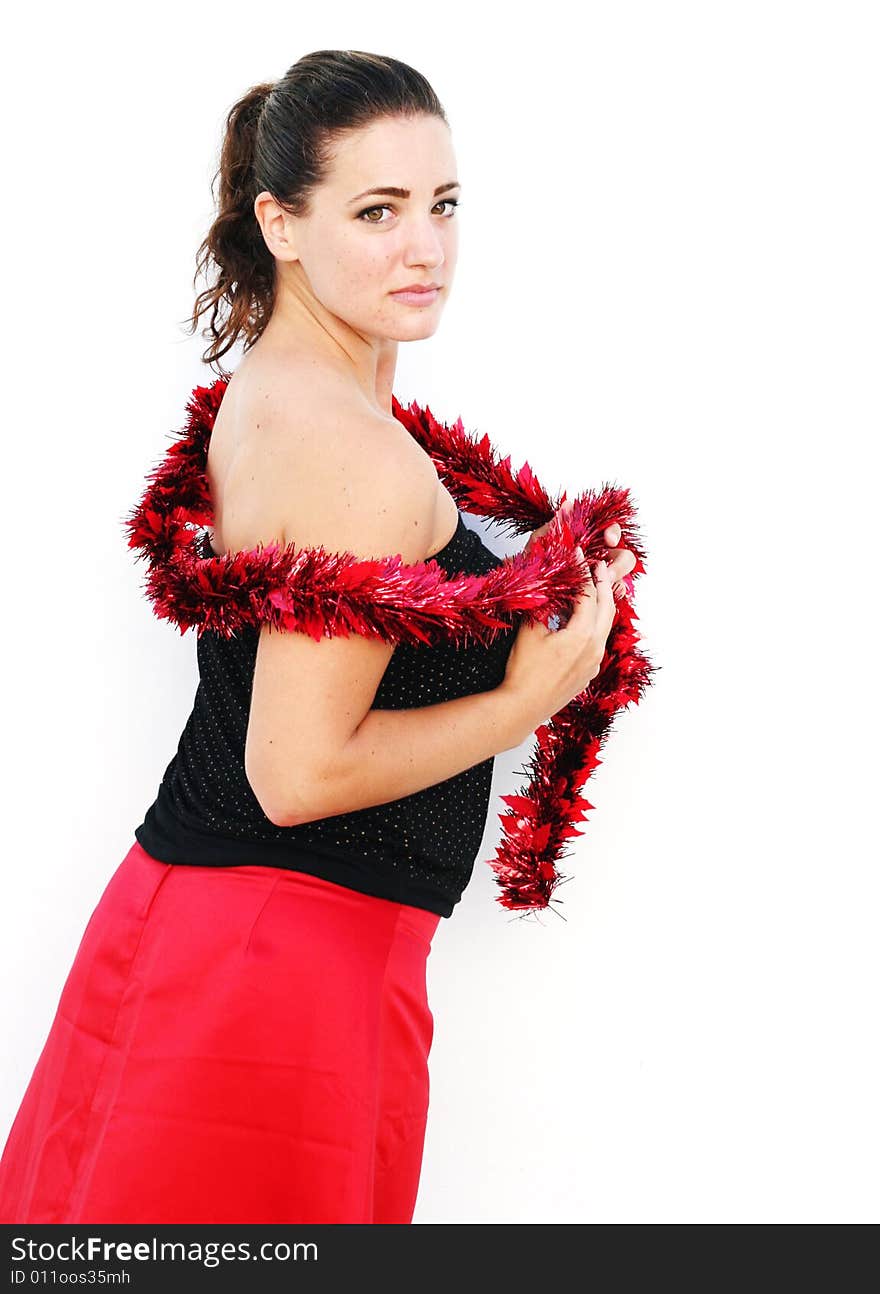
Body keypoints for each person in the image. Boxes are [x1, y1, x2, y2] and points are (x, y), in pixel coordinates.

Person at [0, 49, 636, 1224]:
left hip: (263, 950)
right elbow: (292, 775)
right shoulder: (346, 446)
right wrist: (529, 694)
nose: (426, 248)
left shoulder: (299, 391)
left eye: (443, 206)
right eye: (377, 211)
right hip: (272, 974)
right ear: (280, 224)